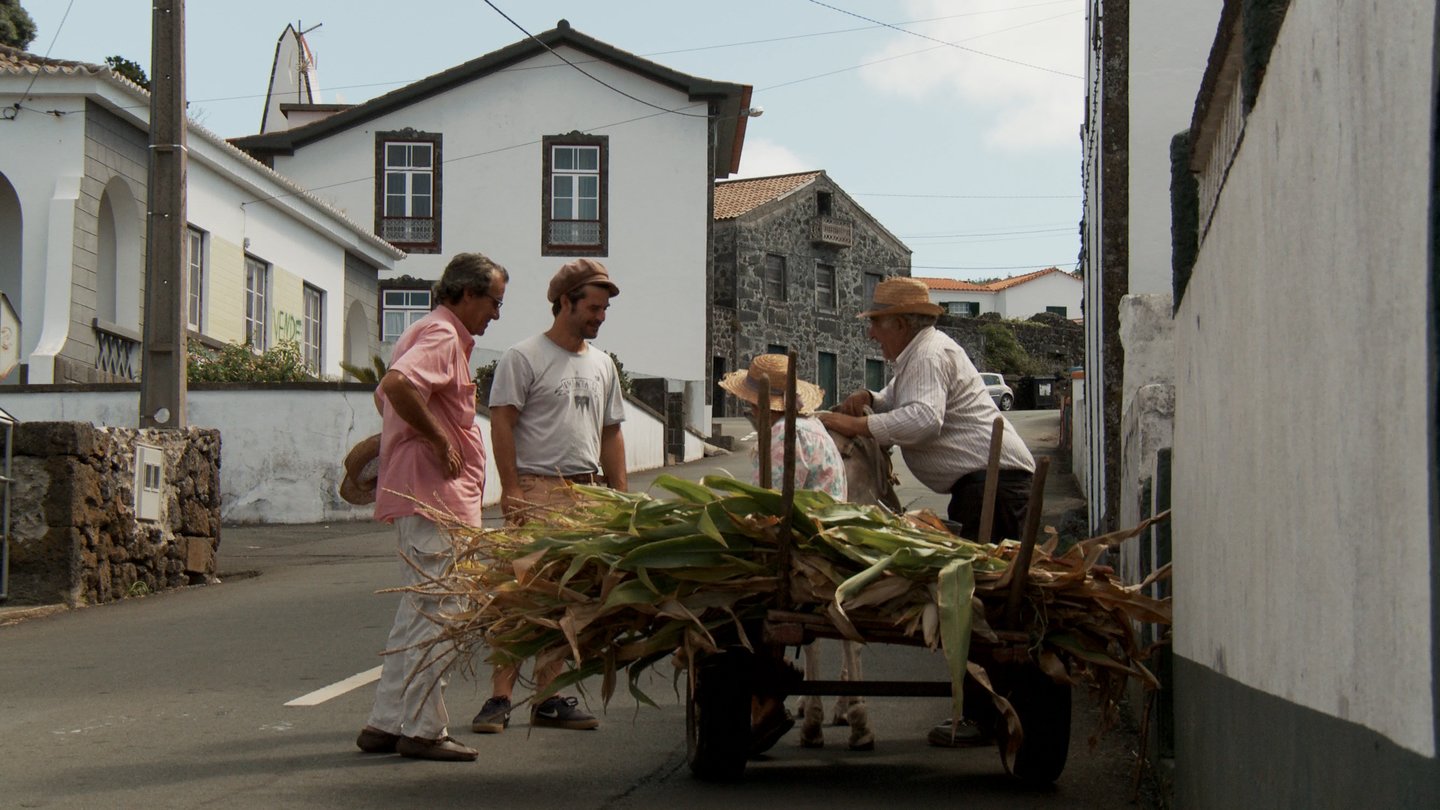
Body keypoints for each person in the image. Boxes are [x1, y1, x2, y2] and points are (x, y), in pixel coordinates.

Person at [815, 275, 1035, 748]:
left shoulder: (930, 354)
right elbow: (898, 400)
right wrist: (870, 400)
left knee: (982, 605)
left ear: (899, 322)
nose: (872, 333)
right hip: (982, 486)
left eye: (877, 324)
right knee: (980, 602)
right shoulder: (917, 356)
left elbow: (923, 419)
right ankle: (990, 710)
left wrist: (856, 422)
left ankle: (986, 715)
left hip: (994, 486)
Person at [355, 252, 509, 763]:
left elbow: (387, 394)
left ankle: (385, 720)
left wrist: (425, 431)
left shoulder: (429, 330)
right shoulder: (443, 336)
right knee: (440, 614)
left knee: (417, 612)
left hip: (425, 495)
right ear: (465, 294)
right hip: (436, 497)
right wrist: (440, 438)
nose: (495, 314)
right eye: (493, 302)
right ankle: (423, 728)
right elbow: (397, 387)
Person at [470, 258, 628, 735]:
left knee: (569, 601)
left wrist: (621, 499)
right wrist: (512, 489)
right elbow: (502, 421)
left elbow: (611, 433)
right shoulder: (525, 356)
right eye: (593, 308)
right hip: (537, 490)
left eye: (603, 310)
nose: (599, 317)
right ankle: (499, 698)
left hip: (587, 495)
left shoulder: (602, 365)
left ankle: (548, 697)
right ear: (565, 302)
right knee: (519, 597)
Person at [719, 353, 855, 752]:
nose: (746, 408)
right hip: (829, 548)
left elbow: (771, 511)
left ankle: (765, 698)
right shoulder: (815, 430)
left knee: (735, 602)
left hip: (803, 557)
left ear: (763, 405)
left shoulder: (783, 438)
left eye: (749, 402)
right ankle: (771, 685)